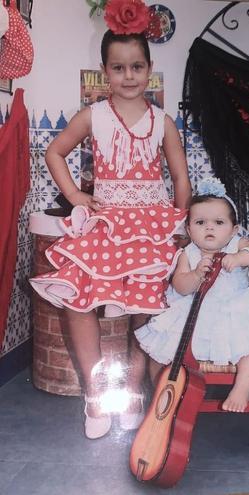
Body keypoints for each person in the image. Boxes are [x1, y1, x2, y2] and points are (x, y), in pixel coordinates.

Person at [29, 0, 191, 439]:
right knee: (81, 301)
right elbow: (54, 151)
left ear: (150, 68)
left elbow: (180, 175)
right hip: (105, 223)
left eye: (137, 66)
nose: (129, 76)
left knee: (147, 310)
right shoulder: (94, 115)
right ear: (105, 72)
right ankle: (96, 392)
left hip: (153, 227)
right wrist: (77, 195)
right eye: (118, 68)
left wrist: (179, 224)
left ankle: (133, 391)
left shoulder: (164, 122)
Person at [135, 179, 249, 412]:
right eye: (200, 222)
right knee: (164, 346)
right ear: (188, 229)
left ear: (233, 229)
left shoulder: (236, 244)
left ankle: (243, 386)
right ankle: (166, 392)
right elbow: (180, 286)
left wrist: (240, 258)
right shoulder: (189, 253)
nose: (209, 228)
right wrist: (196, 274)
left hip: (236, 312)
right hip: (194, 314)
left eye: (218, 222)